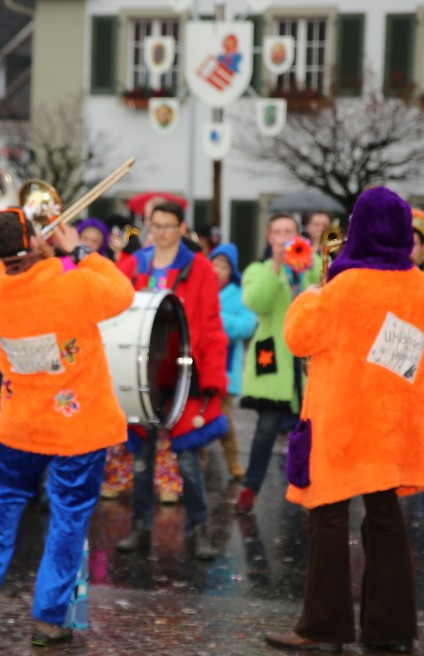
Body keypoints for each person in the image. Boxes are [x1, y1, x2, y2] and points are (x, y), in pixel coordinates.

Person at [264, 187, 424, 654]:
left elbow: (299, 337)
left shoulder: (344, 287)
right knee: (385, 519)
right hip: (394, 424)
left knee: (327, 520)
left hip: (340, 423)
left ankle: (323, 628)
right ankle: (393, 629)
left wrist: (313, 291)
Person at [0, 209, 134, 646]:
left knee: (3, 500)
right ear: (35, 243)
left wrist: (24, 251)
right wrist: (77, 249)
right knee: (69, 517)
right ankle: (49, 618)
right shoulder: (74, 284)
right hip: (79, 426)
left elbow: (0, 273)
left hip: (21, 423)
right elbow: (122, 292)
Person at [116, 201, 229, 560]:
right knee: (142, 459)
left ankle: (199, 530)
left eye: (168, 226)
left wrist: (212, 379)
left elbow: (211, 324)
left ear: (181, 228)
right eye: (155, 225)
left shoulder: (200, 269)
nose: (161, 232)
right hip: (141, 370)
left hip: (183, 370)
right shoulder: (135, 265)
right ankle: (140, 526)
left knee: (189, 459)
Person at [232, 214, 300, 514]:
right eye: (278, 232)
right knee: (265, 430)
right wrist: (276, 267)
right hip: (274, 361)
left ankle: (304, 490)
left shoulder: (310, 268)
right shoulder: (257, 270)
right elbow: (258, 303)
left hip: (305, 364)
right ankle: (250, 487)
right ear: (269, 237)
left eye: (289, 231)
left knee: (307, 435)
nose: (283, 237)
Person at [209, 243, 256, 487]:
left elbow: (247, 326)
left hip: (225, 369)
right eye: (214, 263)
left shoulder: (239, 294)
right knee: (199, 417)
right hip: (198, 365)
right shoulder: (201, 288)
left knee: (223, 418)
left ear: (231, 270)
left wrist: (217, 316)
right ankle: (200, 462)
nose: (217, 270)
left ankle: (234, 463)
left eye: (223, 266)